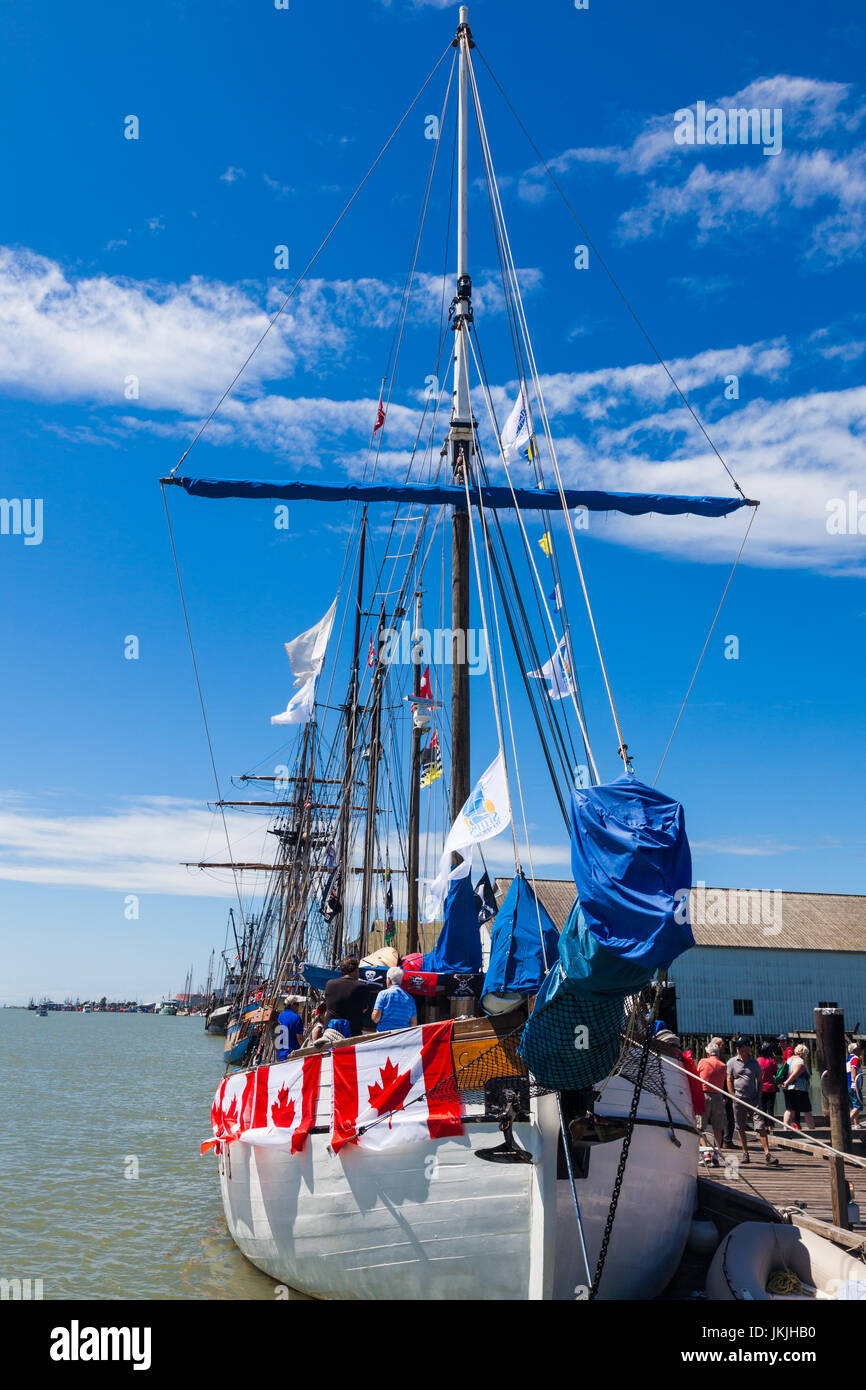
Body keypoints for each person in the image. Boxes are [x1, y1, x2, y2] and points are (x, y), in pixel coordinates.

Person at [726, 1035, 779, 1166]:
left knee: (760, 1125)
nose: (738, 1048)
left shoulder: (754, 1063)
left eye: (741, 1046)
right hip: (738, 1099)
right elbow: (729, 1079)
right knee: (741, 1127)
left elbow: (759, 1081)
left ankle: (767, 1154)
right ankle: (745, 1153)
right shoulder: (731, 1062)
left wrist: (759, 1096)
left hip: (754, 1099)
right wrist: (732, 1095)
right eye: (738, 1046)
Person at [323, 957, 371, 1039]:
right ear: (356, 970)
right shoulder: (362, 987)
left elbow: (328, 1005)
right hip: (351, 1032)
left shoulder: (329, 984)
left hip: (330, 1031)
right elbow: (364, 1009)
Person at [695, 1041, 727, 1154]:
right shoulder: (724, 1066)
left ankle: (706, 1153)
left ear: (708, 1053)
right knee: (717, 1128)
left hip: (705, 1095)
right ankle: (716, 1155)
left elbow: (696, 1077)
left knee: (700, 1127)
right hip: (718, 1096)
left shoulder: (703, 1061)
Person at [371, 966, 417, 1033]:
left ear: (389, 979)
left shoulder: (383, 994)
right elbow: (413, 1024)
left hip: (384, 1037)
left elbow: (375, 1019)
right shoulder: (410, 999)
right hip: (402, 1038)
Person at [780, 1043, 815, 1131]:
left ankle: (785, 1129)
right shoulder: (800, 1061)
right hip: (799, 1089)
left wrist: (785, 1083)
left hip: (789, 1089)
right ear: (804, 1053)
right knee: (807, 1110)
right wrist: (787, 1082)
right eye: (806, 1054)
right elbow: (796, 1072)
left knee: (789, 1109)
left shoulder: (789, 1060)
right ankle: (813, 1130)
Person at [275, 995, 304, 1061]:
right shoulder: (297, 1018)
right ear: (292, 1004)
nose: (298, 1007)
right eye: (297, 1004)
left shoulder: (278, 1017)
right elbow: (300, 1038)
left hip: (278, 1056)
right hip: (291, 1055)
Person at [756, 1042, 778, 1126]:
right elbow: (777, 1073)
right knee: (770, 1108)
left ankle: (763, 1125)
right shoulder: (772, 1061)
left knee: (762, 1107)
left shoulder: (757, 1060)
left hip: (761, 1088)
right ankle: (771, 1126)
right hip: (771, 1088)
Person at [847, 1044, 863, 1128]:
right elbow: (853, 1070)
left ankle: (856, 1124)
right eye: (859, 1049)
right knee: (858, 1105)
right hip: (853, 1085)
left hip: (848, 1085)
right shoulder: (855, 1059)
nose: (861, 1050)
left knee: (853, 1106)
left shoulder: (848, 1059)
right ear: (854, 1050)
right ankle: (845, 1123)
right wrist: (855, 1083)